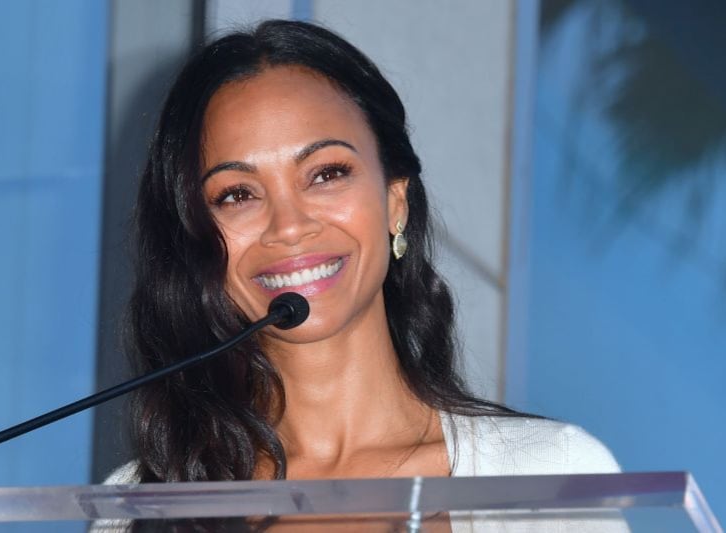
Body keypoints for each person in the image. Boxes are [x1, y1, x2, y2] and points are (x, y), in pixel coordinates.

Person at [96, 19, 620, 532]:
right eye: (237, 195)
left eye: (326, 174)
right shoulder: (143, 505)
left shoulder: (546, 477)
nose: (290, 226)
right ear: (196, 239)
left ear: (395, 202)